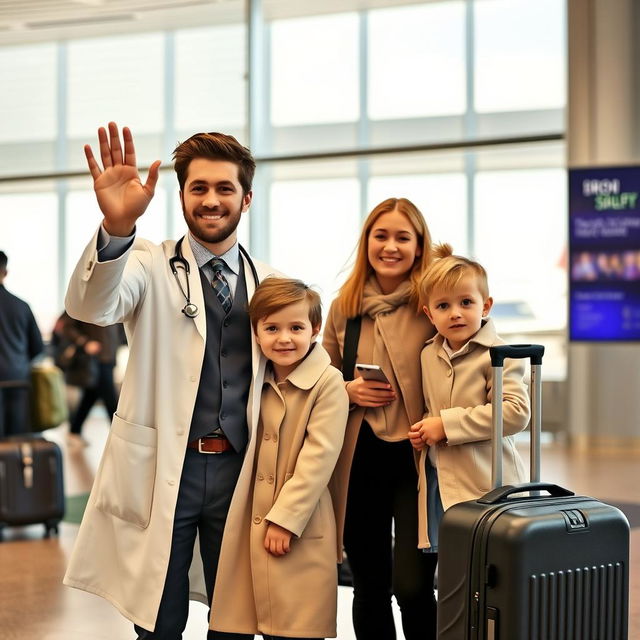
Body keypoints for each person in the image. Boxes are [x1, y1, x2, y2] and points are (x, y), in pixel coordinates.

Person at [62, 122, 278, 640]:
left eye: (224, 188)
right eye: (198, 187)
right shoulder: (147, 264)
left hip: (239, 471)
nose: (210, 200)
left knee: (235, 619)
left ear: (246, 199)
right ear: (180, 195)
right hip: (165, 472)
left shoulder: (267, 281)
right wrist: (115, 229)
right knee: (159, 620)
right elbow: (92, 304)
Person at [322, 197, 438, 640]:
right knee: (369, 585)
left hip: (417, 460)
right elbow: (320, 382)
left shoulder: (433, 305)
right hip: (359, 458)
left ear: (419, 245)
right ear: (366, 241)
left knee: (413, 586)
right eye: (381, 235)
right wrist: (348, 391)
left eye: (402, 237)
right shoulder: (344, 308)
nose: (390, 246)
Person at [211, 277, 349, 639]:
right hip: (251, 523)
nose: (284, 338)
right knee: (238, 623)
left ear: (315, 329)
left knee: (294, 627)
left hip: (298, 525)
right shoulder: (257, 379)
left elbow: (318, 460)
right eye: (272, 328)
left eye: (296, 327)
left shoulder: (328, 383)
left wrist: (286, 519)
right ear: (256, 333)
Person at [408, 243, 530, 552]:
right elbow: (433, 409)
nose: (456, 313)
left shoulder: (502, 355)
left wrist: (445, 426)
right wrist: (426, 428)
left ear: (485, 306)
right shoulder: (428, 354)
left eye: (466, 302)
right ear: (429, 314)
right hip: (441, 481)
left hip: (488, 483)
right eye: (443, 306)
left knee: (491, 567)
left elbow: (515, 412)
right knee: (455, 568)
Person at [53, 311, 122, 446]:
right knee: (111, 400)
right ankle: (119, 439)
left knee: (90, 396)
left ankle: (74, 431)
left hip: (108, 358)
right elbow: (66, 327)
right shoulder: (85, 303)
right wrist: (85, 342)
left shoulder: (115, 305)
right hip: (95, 360)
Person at [0, 251, 44, 437]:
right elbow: (38, 347)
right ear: (5, 272)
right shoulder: (21, 306)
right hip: (17, 379)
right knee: (15, 439)